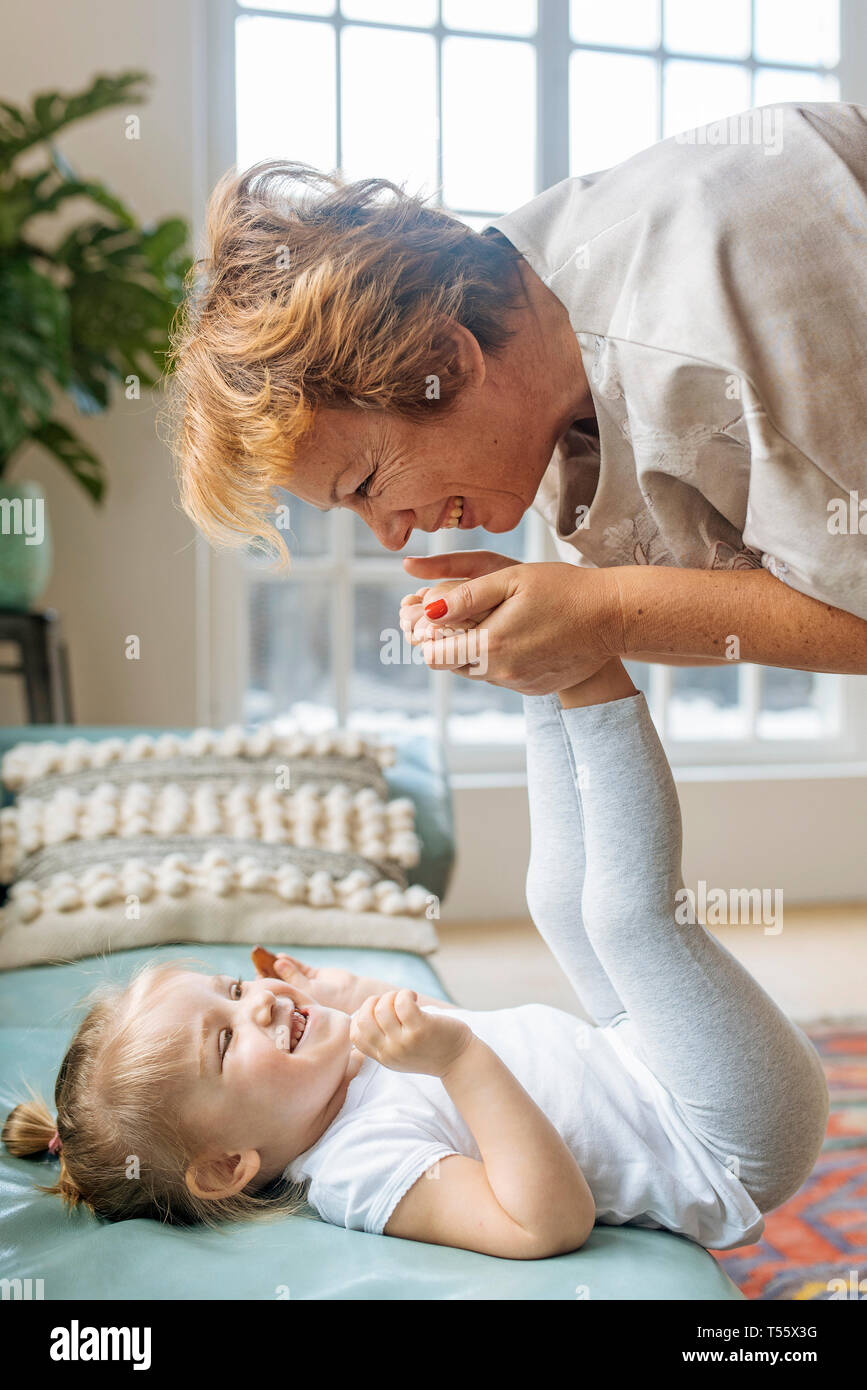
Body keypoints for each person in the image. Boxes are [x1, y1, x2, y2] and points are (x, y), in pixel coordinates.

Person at [2, 655, 827, 1256]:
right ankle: (591, 663)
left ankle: (543, 678)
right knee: (626, 918)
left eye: (226, 990)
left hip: (631, 1055)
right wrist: (461, 1061)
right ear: (225, 1165)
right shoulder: (357, 1171)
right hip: (721, 1140)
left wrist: (341, 991)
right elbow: (542, 1222)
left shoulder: (340, 1067)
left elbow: (396, 1023)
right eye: (225, 1040)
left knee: (554, 899)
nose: (253, 1003)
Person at [166, 101, 867, 692]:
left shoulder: (715, 294)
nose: (390, 534)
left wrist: (607, 612)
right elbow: (768, 600)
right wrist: (565, 615)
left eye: (365, 483)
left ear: (442, 357)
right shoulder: (534, 384)